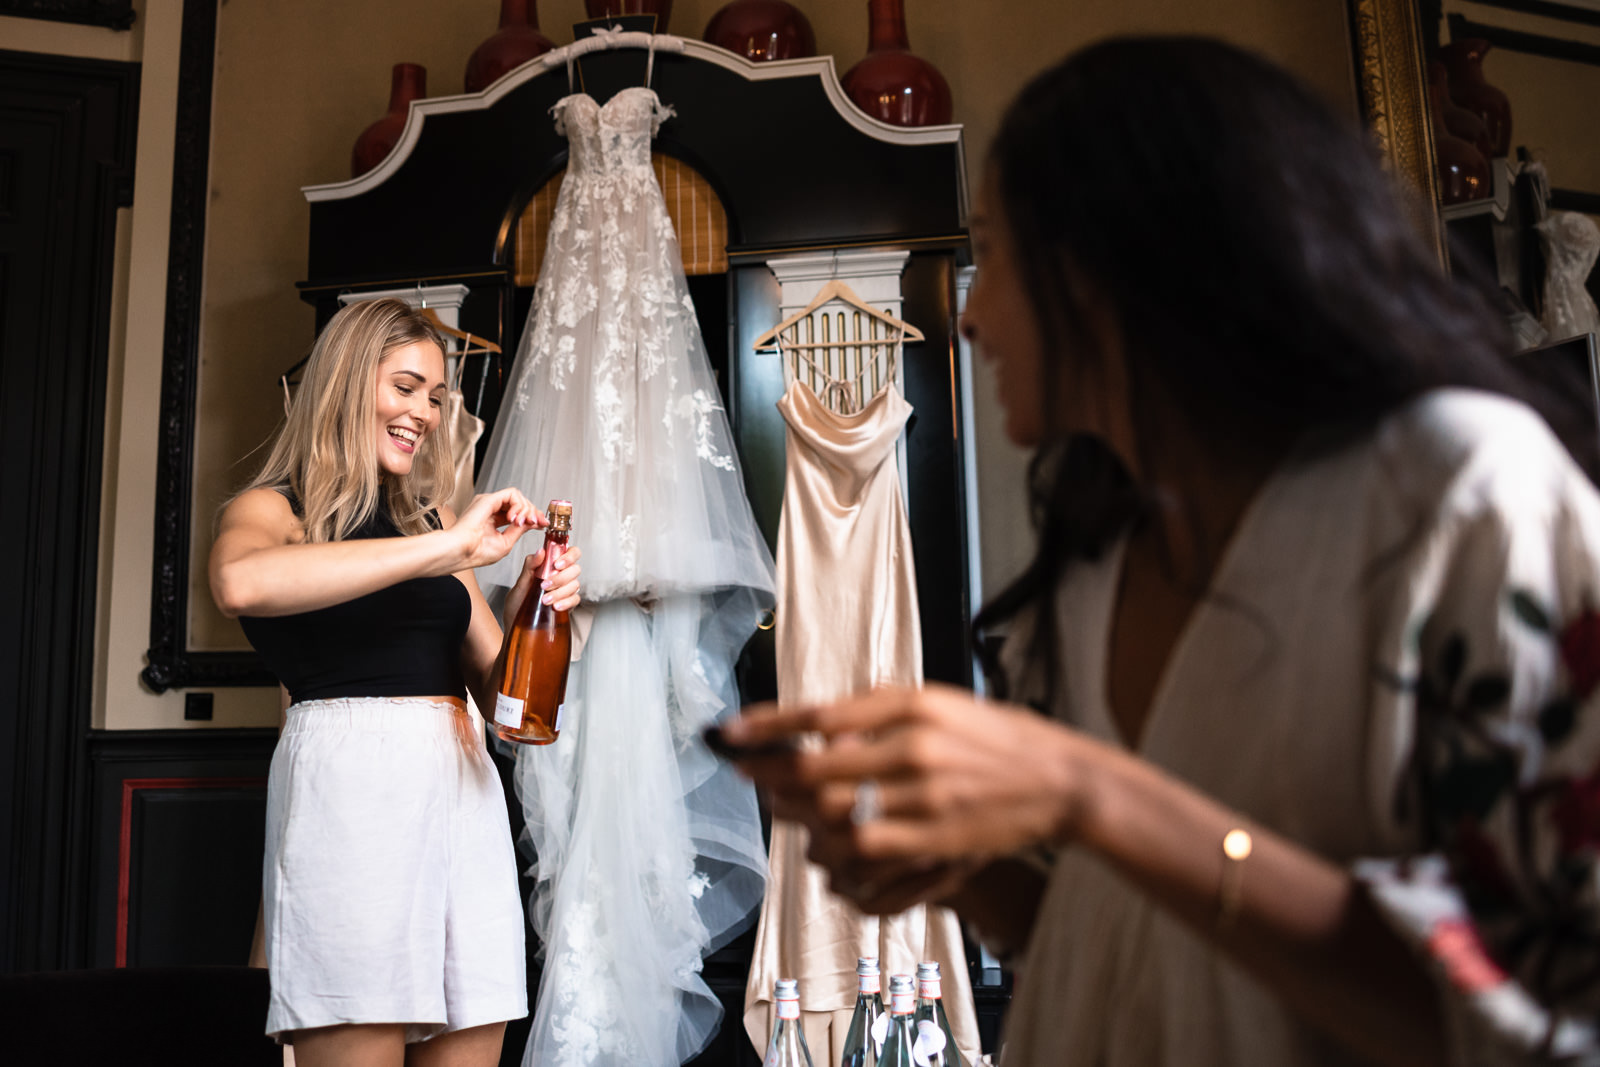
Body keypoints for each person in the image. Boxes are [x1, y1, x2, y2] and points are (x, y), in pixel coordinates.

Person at [718, 36, 1600, 1067]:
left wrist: (1092, 794)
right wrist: (967, 871)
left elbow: (1555, 1015)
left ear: (1133, 258)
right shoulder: (1097, 551)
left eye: (997, 252)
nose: (970, 314)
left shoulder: (1460, 497)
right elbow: (1142, 953)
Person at [209, 297, 582, 1067]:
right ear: (348, 383)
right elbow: (242, 584)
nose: (425, 414)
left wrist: (531, 604)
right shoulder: (273, 509)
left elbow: (506, 706)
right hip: (353, 804)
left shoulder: (427, 521)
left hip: (464, 800)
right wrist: (449, 547)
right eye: (406, 387)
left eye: (437, 398)